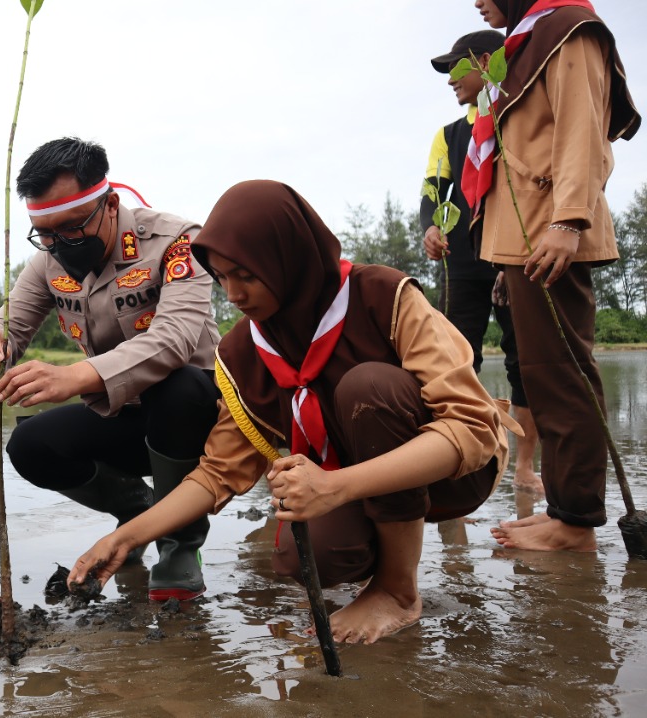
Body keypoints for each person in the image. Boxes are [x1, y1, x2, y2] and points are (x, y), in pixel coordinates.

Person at [70, 181, 517, 644]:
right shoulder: (244, 351)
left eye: (245, 274)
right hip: (347, 481)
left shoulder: (382, 296)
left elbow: (469, 426)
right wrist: (128, 538)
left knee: (370, 388)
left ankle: (397, 591)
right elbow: (217, 474)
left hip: (453, 474)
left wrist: (333, 485)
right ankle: (376, 554)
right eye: (221, 277)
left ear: (287, 258)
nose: (233, 294)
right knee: (304, 559)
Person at [0, 137, 221, 601]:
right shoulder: (46, 261)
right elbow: (11, 324)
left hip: (197, 421)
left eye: (71, 228)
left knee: (178, 388)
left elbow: (176, 339)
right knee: (31, 444)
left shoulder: (178, 242)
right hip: (123, 417)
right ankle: (137, 509)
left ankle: (178, 544)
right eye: (44, 232)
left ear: (109, 205)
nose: (58, 244)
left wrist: (76, 378)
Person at [468, 0, 640, 552]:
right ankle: (568, 511)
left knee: (563, 377)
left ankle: (575, 522)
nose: (475, 2)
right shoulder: (526, 43)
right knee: (543, 378)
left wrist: (568, 219)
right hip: (528, 240)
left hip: (551, 230)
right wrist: (503, 258)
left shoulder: (568, 30)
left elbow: (582, 130)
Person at [424, 29, 542, 494]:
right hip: (463, 264)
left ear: (486, 63)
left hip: (516, 259)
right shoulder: (449, 134)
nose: (450, 79)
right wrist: (430, 227)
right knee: (455, 361)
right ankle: (465, 460)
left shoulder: (519, 115)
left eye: (457, 68)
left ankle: (526, 468)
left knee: (525, 363)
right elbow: (433, 194)